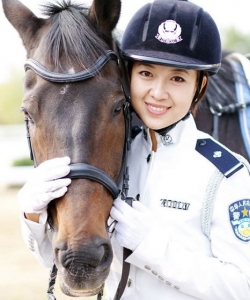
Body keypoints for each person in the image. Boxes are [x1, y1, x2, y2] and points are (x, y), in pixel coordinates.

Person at [18, 0, 250, 299]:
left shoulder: (225, 176)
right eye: (146, 74)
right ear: (127, 76)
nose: (158, 93)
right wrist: (31, 216)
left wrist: (152, 247)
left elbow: (243, 287)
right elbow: (66, 264)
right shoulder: (113, 162)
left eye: (178, 78)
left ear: (200, 87)